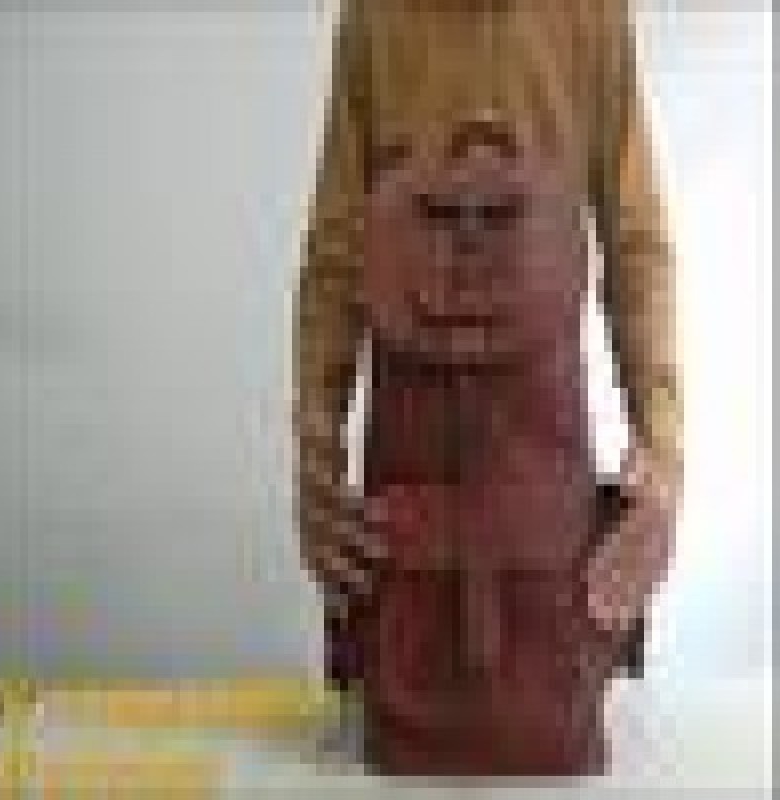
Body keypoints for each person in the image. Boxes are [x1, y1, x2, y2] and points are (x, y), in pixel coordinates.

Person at [294, 0, 682, 775]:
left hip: (544, 426)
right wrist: (315, 451)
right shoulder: (373, 19)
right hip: (410, 430)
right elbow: (337, 256)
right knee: (403, 668)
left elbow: (636, 245)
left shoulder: (594, 17)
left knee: (553, 672)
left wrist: (662, 451)